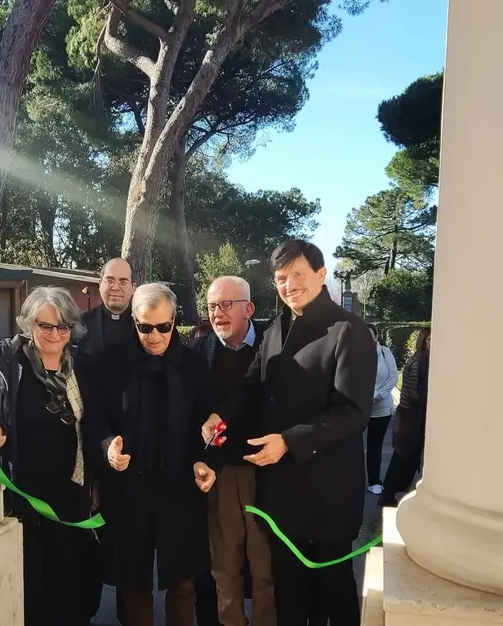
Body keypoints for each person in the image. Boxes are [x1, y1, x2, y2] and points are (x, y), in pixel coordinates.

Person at [204, 239, 376, 626]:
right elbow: (251, 386)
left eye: (298, 274)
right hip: (281, 491)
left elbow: (352, 412)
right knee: (290, 590)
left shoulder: (349, 331)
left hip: (328, 490)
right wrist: (220, 414)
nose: (289, 284)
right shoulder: (276, 329)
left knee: (333, 588)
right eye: (281, 278)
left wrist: (289, 441)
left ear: (320, 274)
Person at [0, 286, 102, 625]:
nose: (55, 334)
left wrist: (98, 480)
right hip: (21, 492)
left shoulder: (85, 365)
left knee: (71, 579)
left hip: (72, 490)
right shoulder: (6, 362)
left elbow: (97, 424)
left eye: (63, 326)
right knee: (30, 582)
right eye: (45, 325)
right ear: (29, 325)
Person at [82, 283, 218, 626]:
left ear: (175, 321)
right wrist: (107, 448)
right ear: (133, 321)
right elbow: (95, 421)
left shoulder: (193, 364)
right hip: (128, 490)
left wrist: (205, 460)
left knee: (184, 582)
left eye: (163, 327)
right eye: (144, 327)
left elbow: (207, 422)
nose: (154, 336)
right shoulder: (109, 363)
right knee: (133, 584)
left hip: (180, 487)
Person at [190, 276, 275, 626]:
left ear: (249, 308)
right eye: (211, 306)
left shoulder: (274, 346)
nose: (217, 313)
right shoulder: (200, 350)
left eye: (226, 304)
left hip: (265, 473)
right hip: (220, 474)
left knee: (266, 568)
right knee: (224, 567)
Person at [378, 327, 430, 508]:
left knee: (407, 459)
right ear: (423, 341)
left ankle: (391, 494)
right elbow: (417, 393)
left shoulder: (422, 360)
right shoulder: (420, 361)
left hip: (410, 420)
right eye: (429, 339)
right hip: (411, 421)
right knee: (403, 459)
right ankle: (388, 495)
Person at [78, 257, 136, 356]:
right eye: (109, 281)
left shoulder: (145, 326)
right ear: (100, 285)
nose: (116, 288)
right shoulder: (80, 323)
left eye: (123, 282)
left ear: (133, 288)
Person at [366, 324, 398, 496]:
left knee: (375, 446)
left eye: (369, 335)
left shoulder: (385, 353)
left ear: (376, 336)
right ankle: (351, 481)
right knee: (352, 446)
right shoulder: (354, 353)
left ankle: (374, 481)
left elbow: (393, 376)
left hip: (381, 408)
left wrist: (379, 395)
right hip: (360, 408)